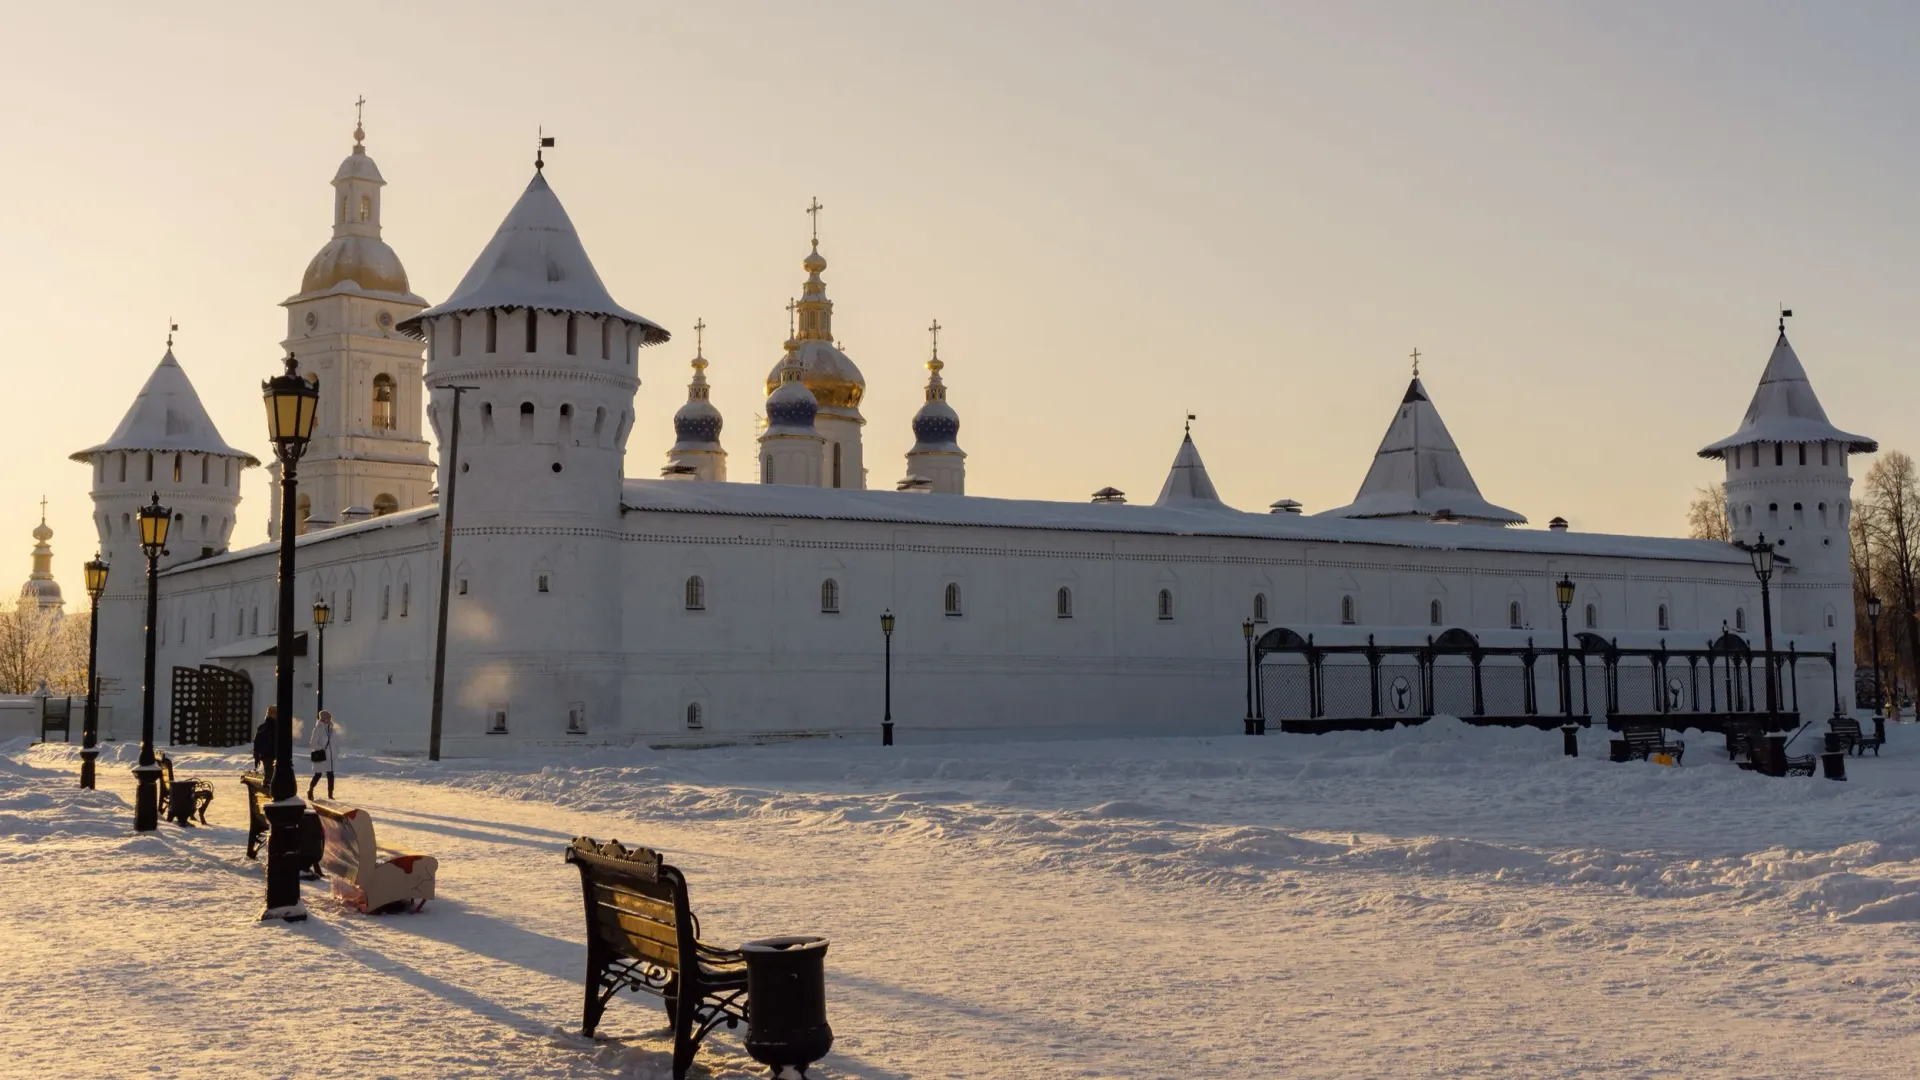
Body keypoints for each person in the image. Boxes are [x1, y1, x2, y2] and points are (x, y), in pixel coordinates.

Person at [307, 710, 337, 800]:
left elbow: (334, 742)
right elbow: (312, 743)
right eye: (327, 717)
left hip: (330, 756)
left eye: (329, 718)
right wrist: (322, 749)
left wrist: (335, 751)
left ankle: (330, 794)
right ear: (323, 718)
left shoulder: (331, 729)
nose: (329, 719)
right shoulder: (318, 729)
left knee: (330, 774)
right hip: (321, 755)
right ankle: (310, 790)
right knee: (318, 775)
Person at [252, 705, 278, 784]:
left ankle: (269, 790)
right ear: (271, 714)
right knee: (270, 776)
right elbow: (257, 742)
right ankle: (269, 793)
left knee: (270, 775)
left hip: (268, 755)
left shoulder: (262, 727)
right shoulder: (273, 727)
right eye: (276, 713)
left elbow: (256, 742)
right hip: (269, 755)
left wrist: (256, 755)